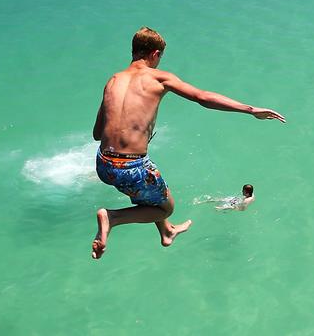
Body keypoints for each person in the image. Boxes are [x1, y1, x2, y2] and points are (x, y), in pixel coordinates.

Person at [91, 27, 285, 259]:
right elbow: (202, 97)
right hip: (132, 167)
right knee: (165, 207)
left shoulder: (113, 80)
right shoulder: (159, 77)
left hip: (104, 164)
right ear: (155, 54)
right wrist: (251, 110)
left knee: (150, 193)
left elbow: (96, 133)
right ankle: (113, 218)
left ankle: (167, 231)